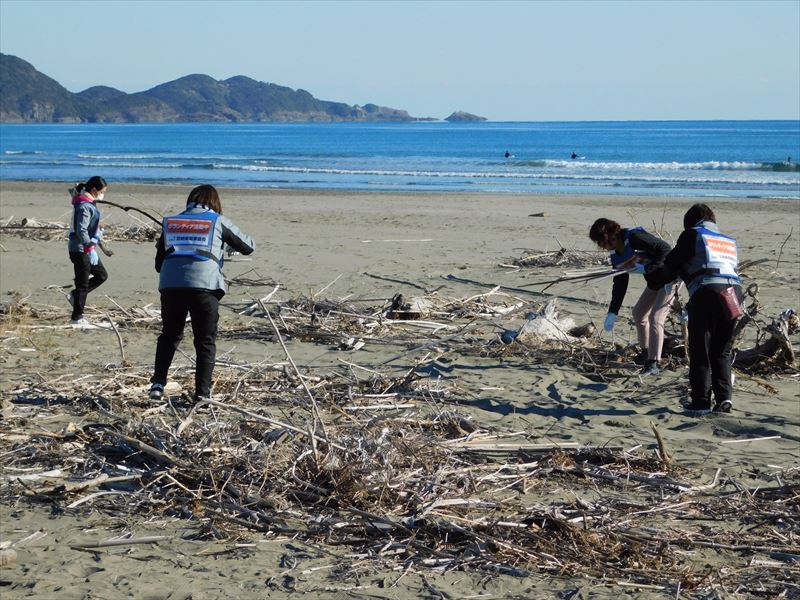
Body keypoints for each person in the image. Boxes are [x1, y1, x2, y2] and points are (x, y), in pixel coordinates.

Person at [149, 185, 255, 403]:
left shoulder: (171, 222)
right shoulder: (217, 220)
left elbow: (159, 264)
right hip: (204, 286)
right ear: (214, 202)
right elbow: (248, 246)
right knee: (205, 340)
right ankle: (202, 394)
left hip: (171, 285)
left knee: (170, 335)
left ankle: (158, 384)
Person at [645, 204, 742, 415]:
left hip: (707, 292)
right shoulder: (728, 241)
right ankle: (724, 398)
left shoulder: (692, 235)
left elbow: (670, 266)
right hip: (734, 295)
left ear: (690, 222)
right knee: (722, 350)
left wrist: (650, 272)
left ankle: (700, 402)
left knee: (701, 350)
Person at [589, 218, 679, 375]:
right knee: (638, 313)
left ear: (610, 235)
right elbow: (620, 282)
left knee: (656, 318)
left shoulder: (635, 237)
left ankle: (654, 362)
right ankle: (645, 353)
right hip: (654, 282)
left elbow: (666, 249)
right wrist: (613, 312)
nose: (601, 246)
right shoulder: (615, 254)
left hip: (670, 279)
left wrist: (647, 268)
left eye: (601, 241)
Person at [67, 176, 109, 325]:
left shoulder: (87, 202)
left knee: (101, 275)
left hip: (84, 248)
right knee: (82, 283)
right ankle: (77, 318)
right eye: (102, 191)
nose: (103, 194)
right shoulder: (84, 205)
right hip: (79, 249)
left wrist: (98, 225)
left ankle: (75, 295)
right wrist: (89, 248)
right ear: (94, 190)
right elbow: (81, 230)